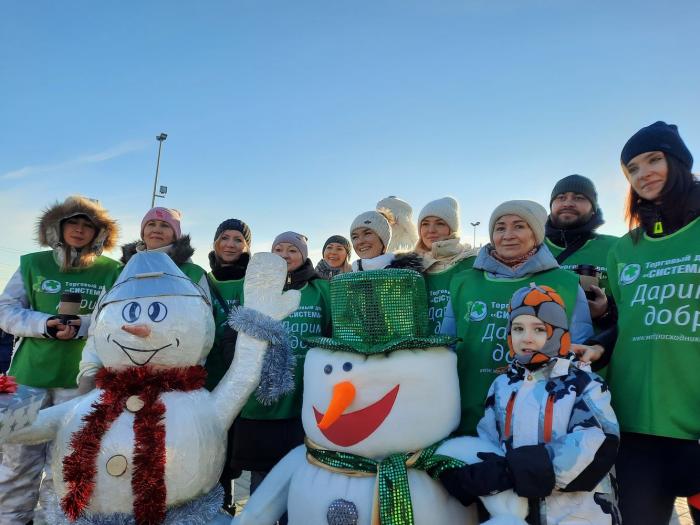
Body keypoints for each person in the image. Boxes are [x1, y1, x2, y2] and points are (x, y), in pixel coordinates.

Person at [440, 284, 620, 524]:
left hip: (577, 514)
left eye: (538, 329)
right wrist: (473, 474)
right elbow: (489, 441)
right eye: (518, 328)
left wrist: (510, 472)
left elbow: (596, 445)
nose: (526, 338)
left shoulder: (584, 383)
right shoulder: (502, 385)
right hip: (520, 513)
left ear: (557, 332)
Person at [0, 195, 120, 525]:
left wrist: (80, 326)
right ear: (58, 227)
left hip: (80, 384)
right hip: (28, 379)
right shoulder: (32, 264)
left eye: (87, 225)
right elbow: (6, 310)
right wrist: (44, 325)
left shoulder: (112, 271)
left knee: (67, 466)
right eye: (73, 223)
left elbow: (115, 319)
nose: (79, 230)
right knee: (16, 462)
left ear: (99, 233)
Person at [607, 121, 700, 524]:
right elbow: (625, 322)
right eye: (632, 168)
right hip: (636, 428)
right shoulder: (625, 248)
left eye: (653, 159)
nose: (643, 174)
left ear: (677, 161)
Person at [443, 200, 593, 435]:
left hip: (539, 420)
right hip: (466, 412)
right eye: (500, 228)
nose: (508, 235)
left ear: (536, 233)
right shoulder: (464, 282)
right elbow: (445, 347)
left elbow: (578, 355)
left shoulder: (565, 284)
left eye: (519, 226)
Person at [227, 231, 331, 515]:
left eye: (292, 250)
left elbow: (332, 333)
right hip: (261, 404)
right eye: (278, 249)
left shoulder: (320, 290)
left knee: (299, 475)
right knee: (262, 482)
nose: (285, 255)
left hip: (303, 400)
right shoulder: (252, 286)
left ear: (304, 255)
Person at [77, 206, 209, 390]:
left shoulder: (191, 273)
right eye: (151, 224)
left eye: (165, 225)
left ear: (175, 234)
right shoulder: (120, 273)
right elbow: (99, 325)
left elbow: (203, 330)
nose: (156, 229)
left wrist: (192, 372)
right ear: (143, 231)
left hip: (173, 381)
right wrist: (89, 369)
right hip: (121, 379)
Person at [545, 175, 619, 334]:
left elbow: (634, 305)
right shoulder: (532, 247)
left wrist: (605, 312)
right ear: (551, 206)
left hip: (592, 353)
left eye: (578, 197)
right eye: (561, 197)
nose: (568, 203)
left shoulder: (616, 247)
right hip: (534, 350)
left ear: (593, 209)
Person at [414, 196, 478, 334]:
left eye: (440, 223)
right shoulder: (412, 268)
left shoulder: (472, 263)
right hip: (423, 352)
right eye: (425, 224)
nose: (431, 230)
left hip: (461, 350)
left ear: (452, 228)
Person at [349, 211, 423, 271]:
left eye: (367, 233)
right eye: (355, 237)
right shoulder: (351, 276)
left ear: (383, 239)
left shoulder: (406, 271)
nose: (360, 241)